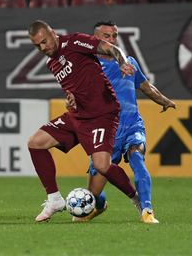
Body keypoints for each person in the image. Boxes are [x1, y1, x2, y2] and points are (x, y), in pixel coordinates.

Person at [27, 20, 143, 222]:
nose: (43, 47)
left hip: (102, 114)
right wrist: (70, 100)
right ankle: (54, 199)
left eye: (44, 41)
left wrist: (122, 62)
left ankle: (137, 199)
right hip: (78, 115)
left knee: (102, 166)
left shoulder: (74, 42)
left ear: (53, 33)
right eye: (37, 45)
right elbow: (72, 87)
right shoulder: (51, 63)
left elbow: (110, 47)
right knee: (35, 143)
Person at [66, 20, 176, 223]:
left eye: (114, 36)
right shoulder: (87, 66)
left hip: (132, 125)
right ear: (95, 40)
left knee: (136, 157)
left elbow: (146, 87)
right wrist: (72, 101)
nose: (112, 40)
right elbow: (74, 96)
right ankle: (98, 206)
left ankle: (147, 210)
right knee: (94, 193)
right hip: (106, 132)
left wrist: (165, 101)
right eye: (106, 36)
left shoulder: (129, 63)